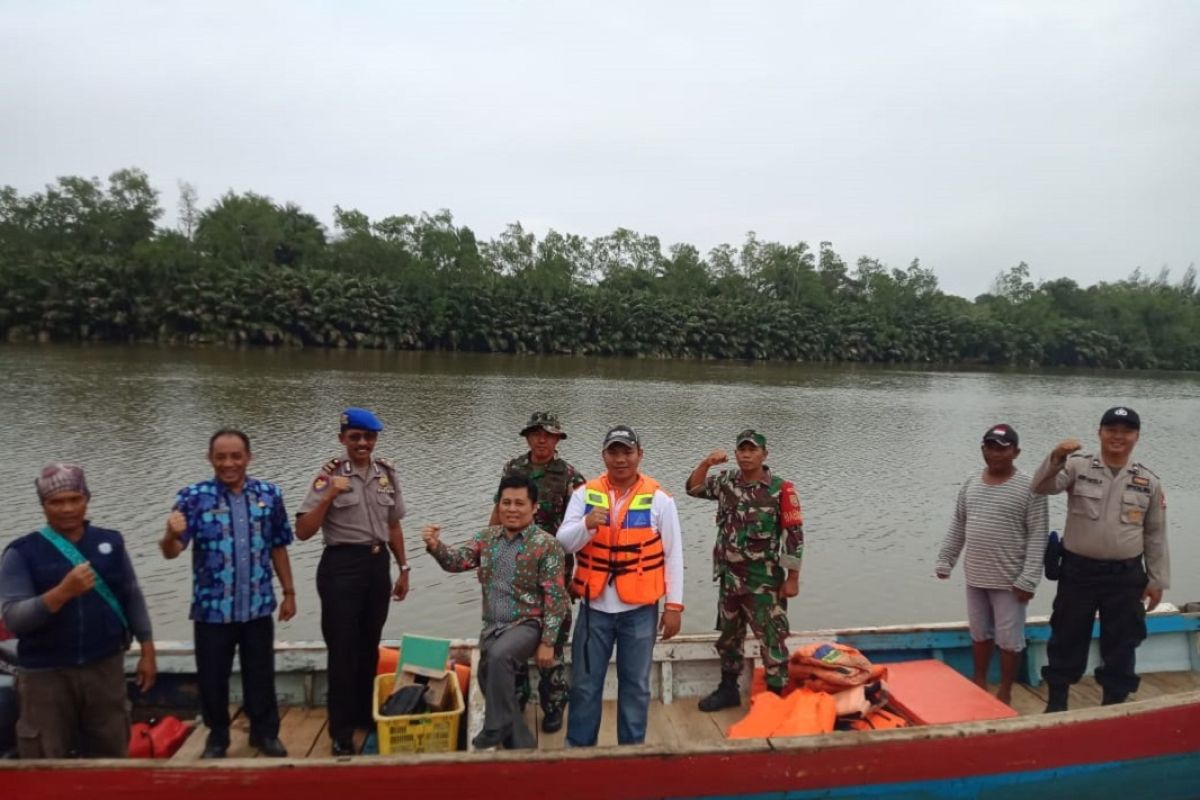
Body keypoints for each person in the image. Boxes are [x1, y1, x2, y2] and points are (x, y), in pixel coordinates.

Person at [0, 464, 156, 759]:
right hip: (45, 673)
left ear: (87, 499)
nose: (67, 509)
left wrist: (148, 650)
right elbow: (14, 618)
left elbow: (132, 597)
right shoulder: (21, 553)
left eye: (75, 499)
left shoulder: (110, 542)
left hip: (104, 666)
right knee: (45, 754)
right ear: (43, 506)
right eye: (56, 502)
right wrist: (61, 594)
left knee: (110, 749)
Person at [161, 430, 295, 759]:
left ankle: (265, 734)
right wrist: (169, 533)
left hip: (257, 606)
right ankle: (217, 736)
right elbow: (172, 551)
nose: (228, 463)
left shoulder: (269, 495)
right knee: (212, 678)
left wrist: (289, 592)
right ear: (210, 459)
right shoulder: (193, 497)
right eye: (221, 457)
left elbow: (279, 545)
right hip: (212, 610)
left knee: (260, 674)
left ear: (248, 457)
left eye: (236, 456)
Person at [1032, 406, 1169, 712]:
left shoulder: (1148, 481)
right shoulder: (1077, 467)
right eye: (1111, 430)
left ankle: (1113, 706)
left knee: (1122, 642)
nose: (1118, 437)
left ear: (1136, 436)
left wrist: (1157, 580)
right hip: (1078, 572)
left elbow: (1155, 535)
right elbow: (1041, 486)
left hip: (1125, 576)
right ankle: (1056, 704)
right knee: (1066, 636)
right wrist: (1056, 458)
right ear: (1100, 433)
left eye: (1126, 431)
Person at [556, 425, 684, 747]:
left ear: (639, 455)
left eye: (627, 451)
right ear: (604, 456)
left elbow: (673, 555)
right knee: (585, 684)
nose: (621, 459)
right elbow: (563, 541)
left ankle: (632, 751)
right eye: (614, 452)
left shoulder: (660, 500)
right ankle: (579, 750)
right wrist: (586, 524)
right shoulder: (584, 494)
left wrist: (673, 606)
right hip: (594, 607)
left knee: (636, 685)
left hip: (639, 611)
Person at [295, 407, 410, 756]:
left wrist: (404, 568)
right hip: (341, 567)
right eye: (355, 437)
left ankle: (363, 714)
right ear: (342, 438)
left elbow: (393, 525)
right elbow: (302, 531)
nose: (363, 443)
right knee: (342, 652)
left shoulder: (386, 473)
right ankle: (341, 731)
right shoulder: (327, 477)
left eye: (369, 437)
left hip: (378, 566)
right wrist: (329, 494)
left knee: (368, 646)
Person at [424, 474, 569, 750]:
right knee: (487, 673)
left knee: (501, 657)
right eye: (506, 503)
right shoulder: (486, 538)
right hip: (493, 625)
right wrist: (435, 546)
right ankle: (520, 742)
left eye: (519, 503)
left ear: (534, 507)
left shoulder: (547, 545)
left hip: (528, 624)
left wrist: (548, 642)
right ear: (498, 505)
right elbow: (457, 562)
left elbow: (556, 598)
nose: (512, 509)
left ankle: (495, 725)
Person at [685, 429, 804, 711]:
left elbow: (794, 536)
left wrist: (793, 578)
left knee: (772, 638)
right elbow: (693, 488)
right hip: (730, 578)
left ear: (765, 453)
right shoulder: (726, 482)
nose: (746, 455)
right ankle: (729, 690)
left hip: (764, 582)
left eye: (752, 449)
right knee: (729, 637)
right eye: (742, 450)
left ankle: (775, 697)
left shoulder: (780, 489)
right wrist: (707, 463)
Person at [935, 424, 1048, 705]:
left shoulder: (1031, 487)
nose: (995, 453)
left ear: (1016, 452)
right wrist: (946, 559)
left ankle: (1006, 690)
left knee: (1010, 641)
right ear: (983, 449)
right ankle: (979, 681)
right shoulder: (971, 482)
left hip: (1011, 581)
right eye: (990, 447)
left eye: (1003, 448)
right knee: (979, 634)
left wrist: (1029, 579)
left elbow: (1038, 535)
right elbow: (959, 524)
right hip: (976, 577)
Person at [489, 411, 585, 733]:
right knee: (509, 638)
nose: (541, 440)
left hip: (555, 574)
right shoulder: (513, 469)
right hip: (512, 574)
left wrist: (578, 577)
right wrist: (487, 559)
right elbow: (498, 512)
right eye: (536, 434)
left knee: (553, 646)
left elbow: (582, 531)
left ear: (558, 439)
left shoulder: (572, 477)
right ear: (528, 437)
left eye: (548, 434)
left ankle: (554, 706)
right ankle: (515, 700)